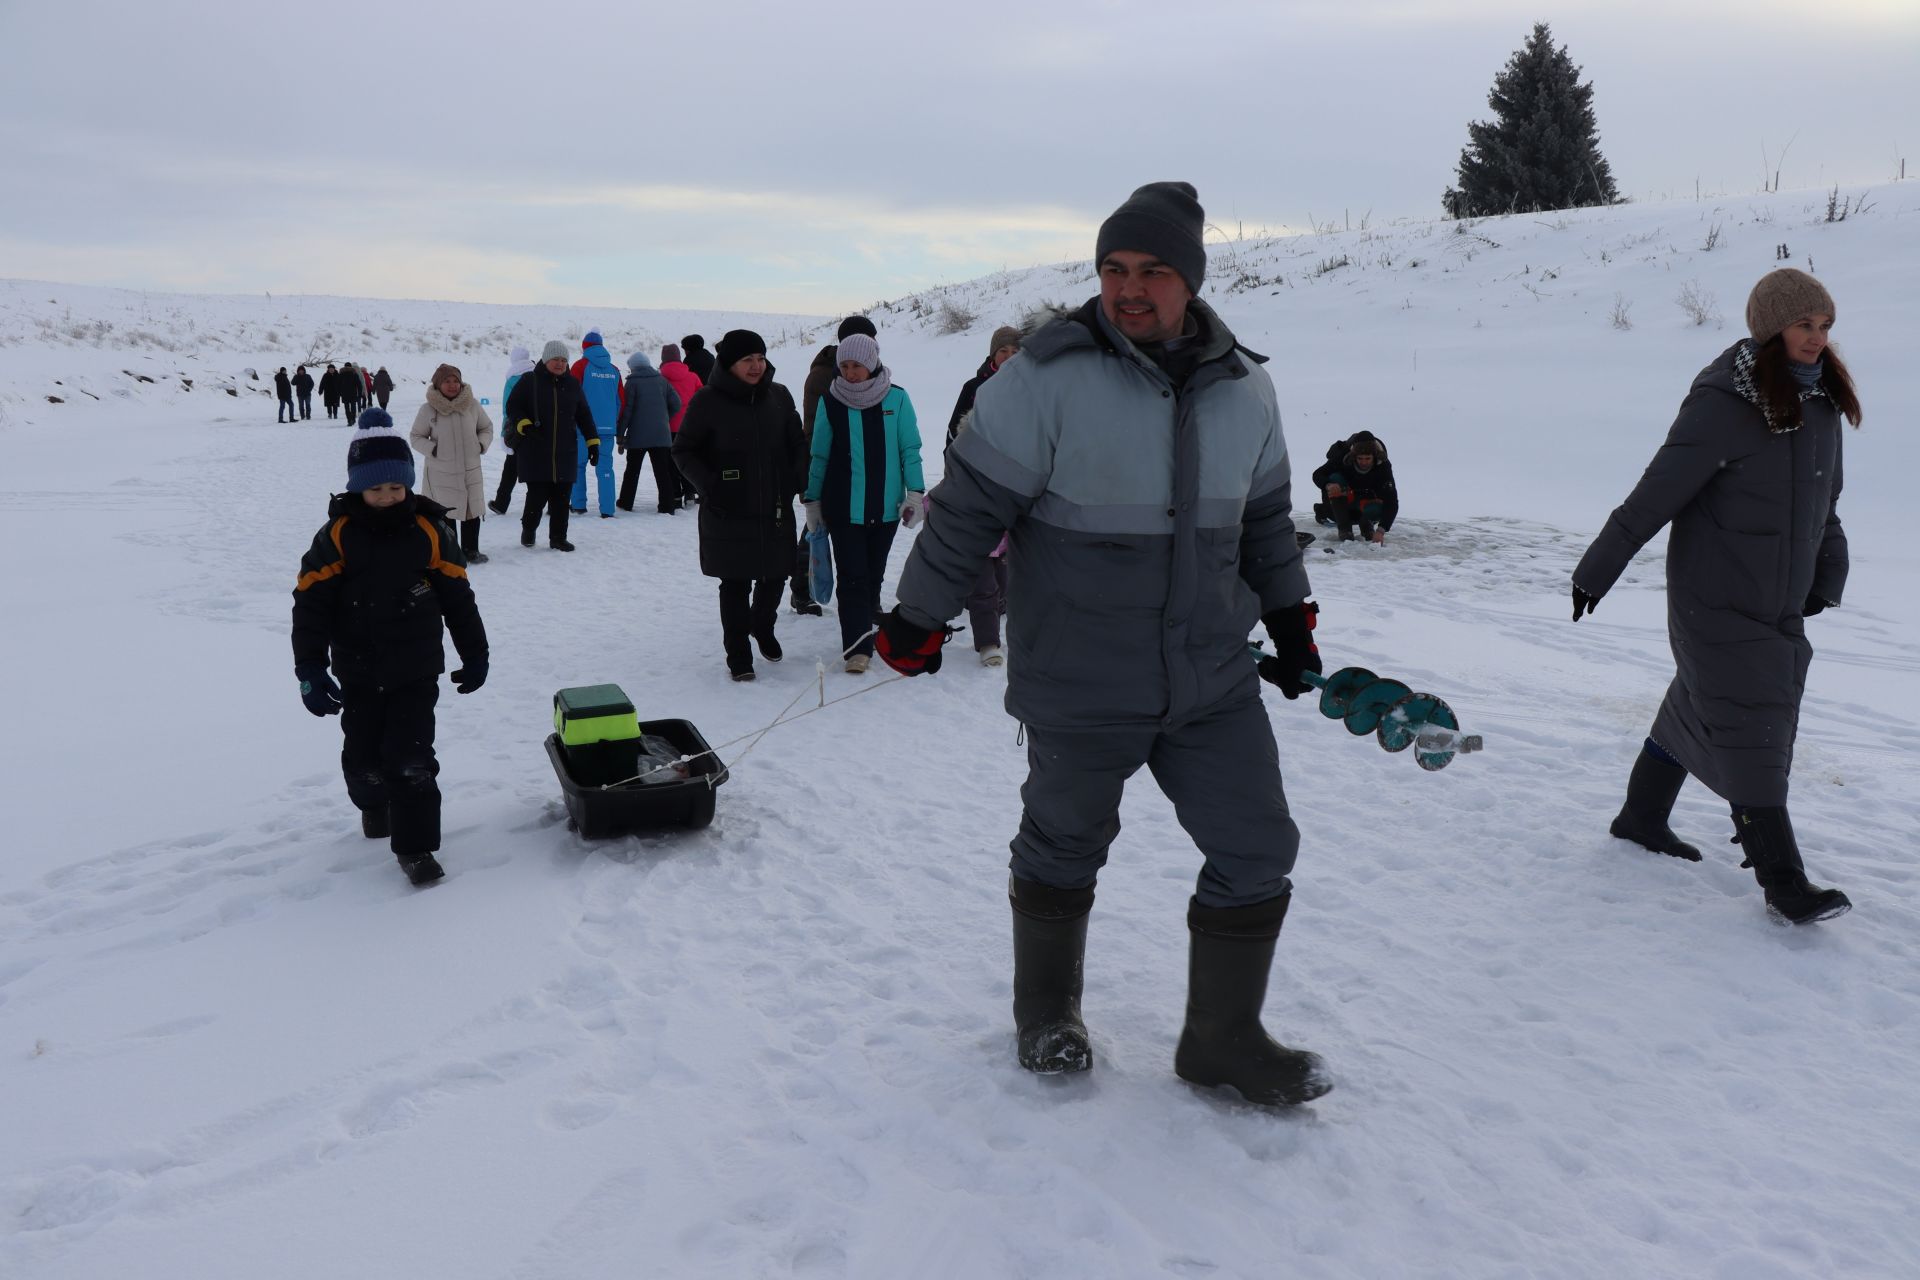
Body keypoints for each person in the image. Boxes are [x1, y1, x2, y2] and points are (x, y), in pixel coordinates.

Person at [875, 182, 1330, 1107]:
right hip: (1080, 673)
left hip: (1209, 675)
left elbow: (1268, 520)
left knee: (1259, 844)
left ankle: (1223, 1039)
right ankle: (1046, 1012)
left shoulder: (1249, 384)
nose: (1130, 287)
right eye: (1114, 268)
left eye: (1154, 270)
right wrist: (918, 616)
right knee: (1063, 844)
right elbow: (965, 511)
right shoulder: (1042, 378)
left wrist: (1290, 615)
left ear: (1191, 282)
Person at [1572, 268, 1860, 927]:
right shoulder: (1723, 405)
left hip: (1777, 599)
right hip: (1716, 597)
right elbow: (1655, 494)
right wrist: (1598, 568)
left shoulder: (1820, 407)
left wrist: (1828, 573)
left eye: (1824, 327)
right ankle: (1784, 883)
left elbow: (1826, 505)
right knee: (1754, 724)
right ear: (1770, 329)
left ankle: (1641, 818)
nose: (1817, 339)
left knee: (1699, 706)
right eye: (1803, 325)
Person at [290, 409, 488, 887]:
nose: (385, 497)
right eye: (375, 489)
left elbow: (459, 597)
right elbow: (310, 604)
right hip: (358, 668)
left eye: (395, 488)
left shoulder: (429, 530)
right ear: (358, 487)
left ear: (408, 485)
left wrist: (475, 652)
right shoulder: (336, 536)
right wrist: (310, 669)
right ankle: (372, 803)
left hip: (416, 669)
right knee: (363, 756)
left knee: (412, 760)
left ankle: (417, 847)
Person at [672, 329, 807, 682]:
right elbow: (684, 450)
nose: (756, 366)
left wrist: (796, 480)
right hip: (727, 509)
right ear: (729, 363)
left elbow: (798, 444)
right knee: (734, 583)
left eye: (760, 358)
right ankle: (739, 655)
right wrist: (712, 485)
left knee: (776, 574)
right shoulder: (706, 401)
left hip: (775, 507)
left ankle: (762, 625)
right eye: (747, 359)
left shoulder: (778, 396)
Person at [803, 332, 925, 674]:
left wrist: (915, 493)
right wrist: (812, 501)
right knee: (853, 578)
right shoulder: (831, 402)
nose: (851, 372)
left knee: (873, 577)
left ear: (871, 363)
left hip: (886, 510)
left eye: (857, 365)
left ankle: (868, 629)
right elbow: (820, 454)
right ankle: (857, 647)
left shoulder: (897, 399)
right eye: (844, 366)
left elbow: (910, 450)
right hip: (843, 509)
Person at [945, 325, 1023, 664]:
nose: (1007, 357)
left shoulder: (1031, 389)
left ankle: (994, 603)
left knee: (1006, 560)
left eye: (1014, 352)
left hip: (1015, 490)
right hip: (977, 487)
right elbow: (952, 435)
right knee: (981, 562)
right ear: (992, 355)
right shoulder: (975, 387)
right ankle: (988, 639)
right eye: (1002, 351)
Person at [505, 340, 599, 552]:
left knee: (561, 499)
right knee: (536, 498)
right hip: (536, 450)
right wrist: (524, 424)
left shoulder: (573, 384)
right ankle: (528, 529)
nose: (560, 363)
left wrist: (593, 442)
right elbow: (513, 406)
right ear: (546, 359)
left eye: (564, 360)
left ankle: (558, 537)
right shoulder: (530, 381)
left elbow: (584, 415)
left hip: (565, 452)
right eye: (556, 359)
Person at [409, 362, 496, 563]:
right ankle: (450, 552)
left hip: (470, 468)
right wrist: (433, 449)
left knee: (471, 510)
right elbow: (416, 436)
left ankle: (471, 550)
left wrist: (481, 444)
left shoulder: (472, 405)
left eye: (455, 381)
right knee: (445, 513)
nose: (452, 385)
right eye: (447, 381)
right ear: (438, 384)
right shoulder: (428, 409)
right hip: (442, 472)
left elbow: (486, 427)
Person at [614, 350, 684, 514]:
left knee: (632, 470)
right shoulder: (662, 380)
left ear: (633, 367)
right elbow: (677, 403)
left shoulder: (632, 383)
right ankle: (667, 506)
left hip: (638, 436)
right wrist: (664, 418)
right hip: (661, 435)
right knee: (663, 471)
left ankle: (626, 502)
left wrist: (621, 432)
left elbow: (627, 410)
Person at [570, 330, 625, 517]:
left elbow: (571, 396)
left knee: (578, 466)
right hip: (607, 428)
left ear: (584, 347)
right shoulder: (614, 369)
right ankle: (607, 510)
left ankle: (578, 505)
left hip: (582, 428)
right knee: (605, 469)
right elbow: (620, 400)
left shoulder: (579, 367)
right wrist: (611, 420)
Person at [1310, 431, 1398, 543]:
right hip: (1343, 499)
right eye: (1360, 458)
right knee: (1335, 477)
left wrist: (1381, 531)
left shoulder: (1383, 466)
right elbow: (1318, 474)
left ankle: (1367, 526)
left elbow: (1392, 501)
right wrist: (1328, 485)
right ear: (1353, 456)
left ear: (1374, 457)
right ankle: (1344, 529)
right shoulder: (1343, 456)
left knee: (1377, 508)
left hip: (1366, 499)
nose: (1364, 463)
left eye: (1368, 458)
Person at [488, 345, 534, 515]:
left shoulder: (512, 378)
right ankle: (547, 503)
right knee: (535, 468)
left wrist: (505, 432)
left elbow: (507, 408)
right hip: (535, 428)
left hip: (516, 430)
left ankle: (501, 503)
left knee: (510, 468)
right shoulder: (537, 375)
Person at [659, 343, 703, 507]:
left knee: (670, 462)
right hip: (689, 426)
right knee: (687, 460)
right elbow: (702, 398)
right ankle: (690, 492)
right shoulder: (693, 377)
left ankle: (676, 495)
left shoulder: (660, 378)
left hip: (668, 426)